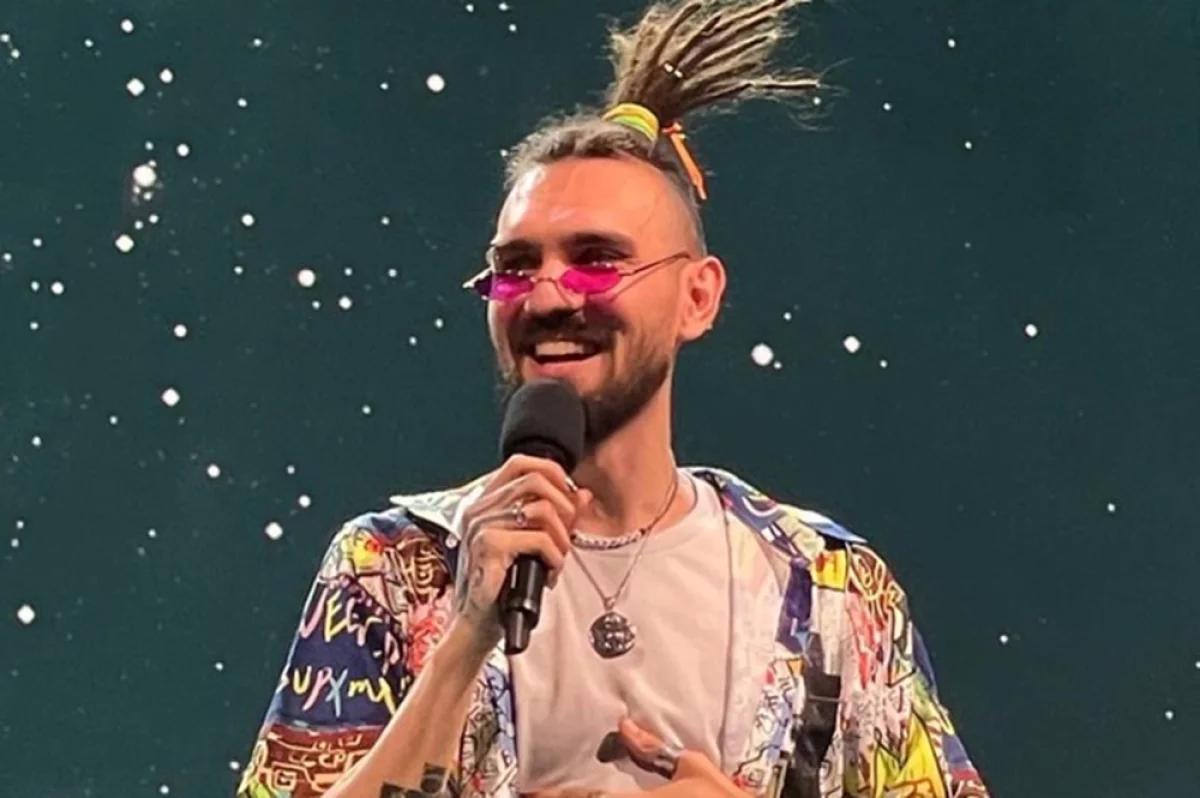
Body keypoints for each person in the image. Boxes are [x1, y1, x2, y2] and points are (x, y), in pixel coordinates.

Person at [236, 1, 990, 796]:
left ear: (698, 297)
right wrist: (465, 636)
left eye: (597, 260)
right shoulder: (392, 570)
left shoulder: (829, 585)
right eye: (516, 267)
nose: (548, 296)